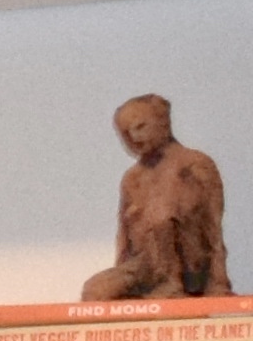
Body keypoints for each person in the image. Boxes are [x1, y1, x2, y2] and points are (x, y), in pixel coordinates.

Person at [82, 93, 227, 300]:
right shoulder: (132, 178)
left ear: (163, 123)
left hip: (189, 261)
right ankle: (150, 294)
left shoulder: (194, 163)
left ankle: (172, 285)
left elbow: (213, 228)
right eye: (125, 132)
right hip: (146, 266)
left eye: (140, 127)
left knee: (161, 215)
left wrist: (218, 284)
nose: (133, 136)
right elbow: (125, 238)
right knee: (96, 290)